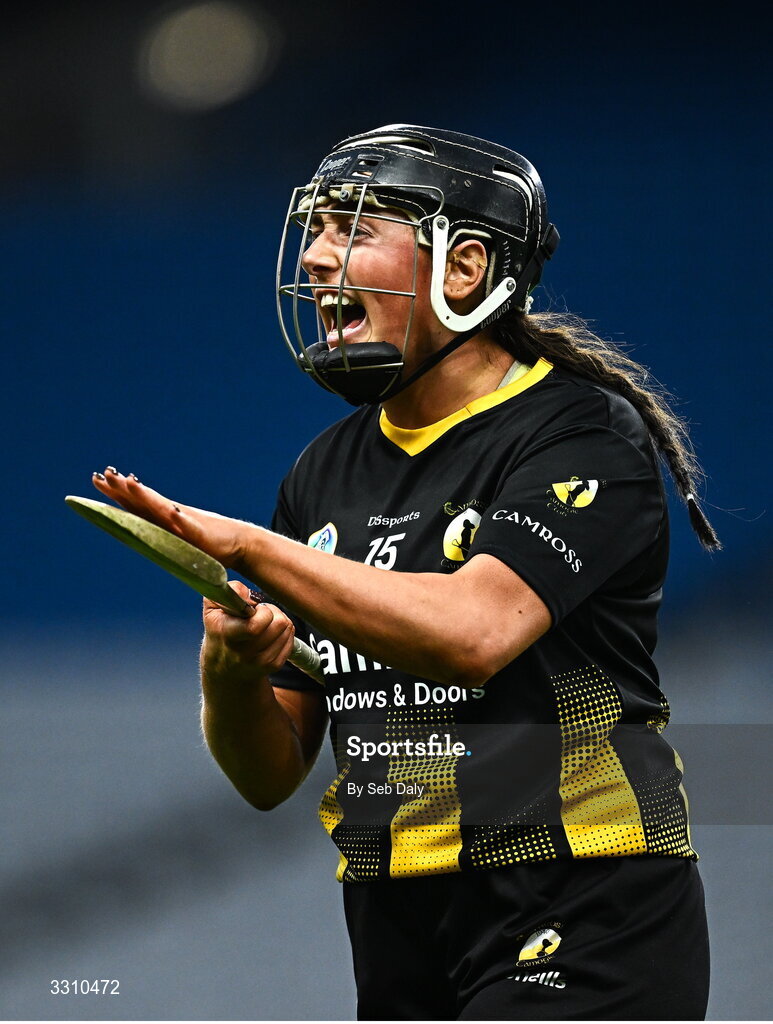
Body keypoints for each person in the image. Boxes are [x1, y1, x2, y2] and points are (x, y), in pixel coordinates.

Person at [92, 124, 718, 1020]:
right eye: (315, 230)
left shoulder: (578, 432)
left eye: (352, 229)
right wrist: (230, 680)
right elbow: (271, 773)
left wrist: (250, 547)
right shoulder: (321, 473)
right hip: (396, 908)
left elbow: (472, 634)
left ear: (462, 269)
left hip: (580, 898)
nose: (315, 257)